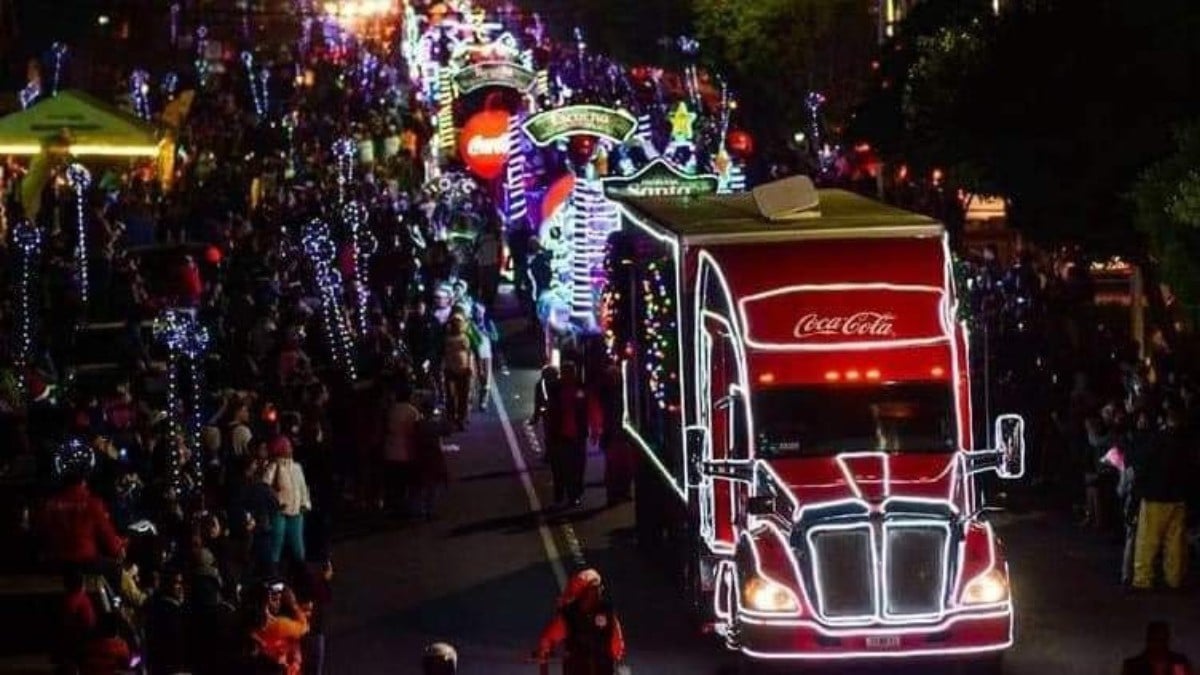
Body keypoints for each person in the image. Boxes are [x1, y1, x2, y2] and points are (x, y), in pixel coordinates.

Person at [1130, 410, 1190, 590]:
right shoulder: (1186, 441)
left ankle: (1143, 579)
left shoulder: (1156, 440)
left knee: (1147, 542)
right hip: (1178, 497)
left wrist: (1138, 491)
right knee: (1175, 543)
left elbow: (1143, 466)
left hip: (1155, 495)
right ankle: (1174, 578)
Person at [534, 569, 626, 675]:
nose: (600, 589)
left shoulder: (607, 613)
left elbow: (616, 644)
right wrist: (544, 650)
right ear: (584, 593)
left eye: (599, 587)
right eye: (595, 588)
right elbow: (549, 638)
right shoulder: (568, 615)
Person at [263, 435, 312, 571]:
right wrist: (276, 503)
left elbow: (303, 487)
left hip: (297, 511)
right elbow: (265, 487)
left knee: (298, 546)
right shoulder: (273, 467)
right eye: (288, 446)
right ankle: (273, 572)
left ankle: (301, 572)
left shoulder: (297, 467)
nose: (291, 449)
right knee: (276, 543)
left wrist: (305, 503)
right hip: (279, 512)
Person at [555, 363, 590, 508]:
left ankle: (575, 493)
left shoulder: (580, 388)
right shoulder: (556, 389)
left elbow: (585, 407)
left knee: (578, 466)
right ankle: (568, 493)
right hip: (562, 434)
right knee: (565, 466)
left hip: (577, 434)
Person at [1122, 621, 1192, 675]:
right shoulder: (1133, 666)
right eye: (1156, 640)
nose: (1159, 645)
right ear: (1148, 640)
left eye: (1162, 640)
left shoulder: (1178, 661)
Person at [442, 315, 474, 432]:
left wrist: (470, 366)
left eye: (459, 322)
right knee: (451, 396)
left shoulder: (465, 338)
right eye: (455, 322)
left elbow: (470, 353)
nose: (457, 325)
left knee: (463, 396)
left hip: (463, 370)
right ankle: (451, 419)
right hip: (450, 370)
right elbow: (443, 354)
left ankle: (461, 419)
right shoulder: (446, 339)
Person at [470, 303, 499, 411]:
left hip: (486, 354)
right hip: (474, 355)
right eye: (477, 311)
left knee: (486, 380)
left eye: (481, 311)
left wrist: (486, 332)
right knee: (473, 379)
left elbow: (495, 337)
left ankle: (483, 402)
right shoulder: (470, 323)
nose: (479, 313)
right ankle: (470, 401)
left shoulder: (488, 323)